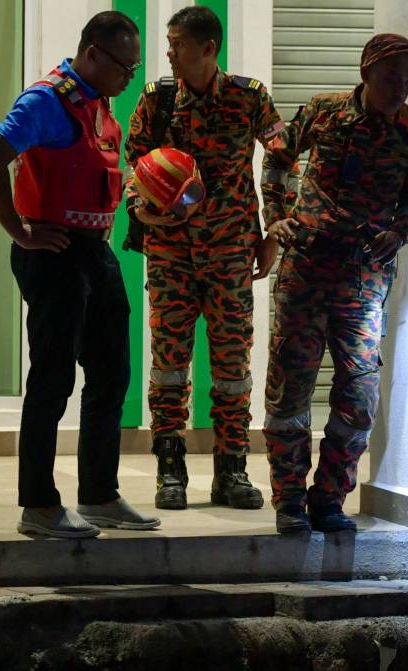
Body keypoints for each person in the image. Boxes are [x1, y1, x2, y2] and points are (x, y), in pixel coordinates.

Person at [0, 11, 159, 538]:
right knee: (53, 379)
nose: (130, 76)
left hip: (94, 252)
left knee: (112, 375)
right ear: (93, 54)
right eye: (124, 65)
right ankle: (38, 506)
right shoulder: (45, 101)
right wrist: (20, 232)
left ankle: (99, 494)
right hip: (51, 252)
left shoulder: (101, 106)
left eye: (135, 65)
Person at [260, 33, 408, 535]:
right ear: (365, 72)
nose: (399, 89)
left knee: (358, 399)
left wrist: (399, 232)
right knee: (290, 392)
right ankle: (289, 500)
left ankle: (330, 500)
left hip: (363, 280)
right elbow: (277, 157)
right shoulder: (324, 111)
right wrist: (276, 216)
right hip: (306, 270)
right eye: (390, 79)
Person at [124, 6, 289, 511]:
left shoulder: (250, 95)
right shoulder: (158, 99)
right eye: (169, 43)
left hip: (232, 253)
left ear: (208, 47)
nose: (169, 51)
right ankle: (169, 470)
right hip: (171, 255)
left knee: (232, 366)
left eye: (177, 43)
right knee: (168, 365)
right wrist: (141, 211)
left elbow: (282, 156)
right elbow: (132, 161)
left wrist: (275, 231)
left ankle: (232, 469)